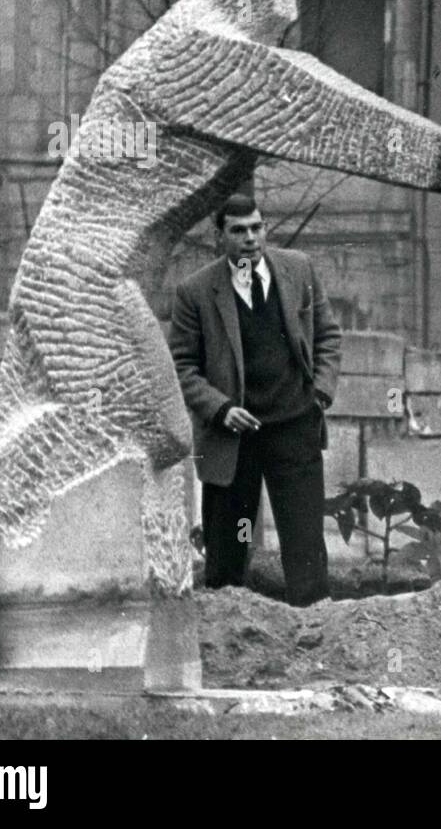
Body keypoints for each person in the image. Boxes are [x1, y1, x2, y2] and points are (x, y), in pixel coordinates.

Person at [168, 194, 341, 606]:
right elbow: (182, 365)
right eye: (238, 230)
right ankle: (226, 646)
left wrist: (319, 393)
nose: (250, 238)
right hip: (232, 440)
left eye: (257, 227)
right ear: (219, 236)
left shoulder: (298, 270)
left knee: (305, 545)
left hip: (294, 427)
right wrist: (221, 409)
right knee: (227, 551)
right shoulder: (195, 291)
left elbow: (329, 336)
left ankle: (315, 635)